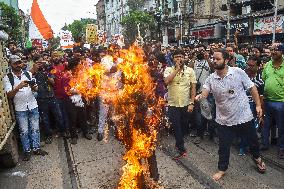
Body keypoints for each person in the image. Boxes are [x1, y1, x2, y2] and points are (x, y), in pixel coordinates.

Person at [196, 49, 265, 181]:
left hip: (244, 116)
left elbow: (252, 88)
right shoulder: (211, 78)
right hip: (224, 120)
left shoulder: (238, 72)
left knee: (253, 142)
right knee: (223, 147)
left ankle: (257, 158)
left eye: (217, 59)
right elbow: (205, 92)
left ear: (226, 60)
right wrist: (201, 96)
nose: (214, 61)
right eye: (213, 58)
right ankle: (222, 169)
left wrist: (257, 105)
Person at [4, 55, 48, 161]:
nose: (18, 65)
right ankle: (27, 151)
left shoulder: (28, 73)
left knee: (35, 129)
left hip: (33, 105)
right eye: (16, 63)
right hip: (20, 108)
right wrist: (18, 87)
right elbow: (9, 95)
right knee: (24, 131)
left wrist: (33, 87)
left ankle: (36, 148)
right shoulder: (8, 78)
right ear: (11, 64)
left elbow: (36, 89)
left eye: (19, 62)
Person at [164, 49, 196, 160]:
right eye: (177, 57)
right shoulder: (168, 69)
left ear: (185, 58)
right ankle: (181, 148)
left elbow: (193, 89)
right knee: (176, 126)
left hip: (186, 104)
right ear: (173, 58)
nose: (179, 59)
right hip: (173, 104)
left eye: (181, 56)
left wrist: (192, 103)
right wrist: (176, 70)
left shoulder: (190, 71)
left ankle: (179, 142)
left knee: (183, 126)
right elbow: (166, 81)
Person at [261, 43, 284, 159]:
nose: (273, 52)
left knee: (282, 126)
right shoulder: (267, 65)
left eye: (276, 50)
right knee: (266, 124)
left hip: (281, 101)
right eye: (272, 50)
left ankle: (281, 148)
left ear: (282, 52)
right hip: (267, 100)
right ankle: (265, 144)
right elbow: (264, 78)